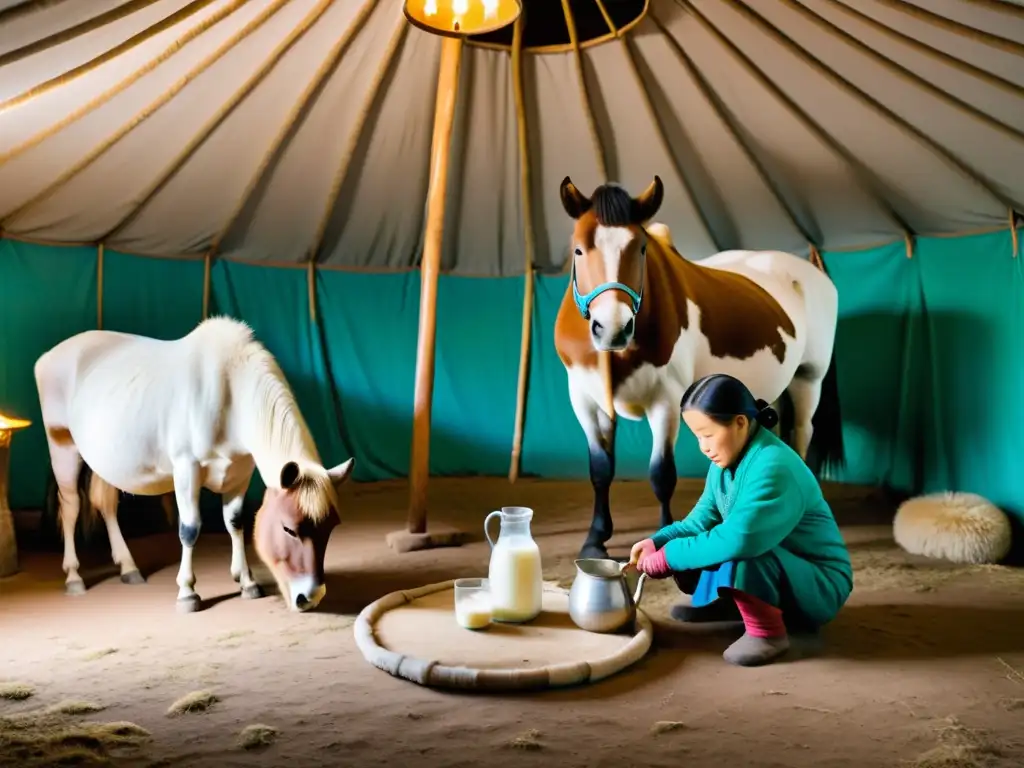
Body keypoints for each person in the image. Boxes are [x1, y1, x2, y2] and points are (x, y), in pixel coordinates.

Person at [629, 373, 853, 667]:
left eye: (708, 435)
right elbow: (698, 523)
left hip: (819, 582)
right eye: (697, 437)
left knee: (739, 549)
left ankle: (768, 633)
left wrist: (669, 557)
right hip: (779, 563)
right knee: (701, 543)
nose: (703, 446)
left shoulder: (774, 465)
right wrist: (657, 542)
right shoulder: (725, 462)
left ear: (740, 422)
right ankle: (728, 603)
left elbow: (742, 539)